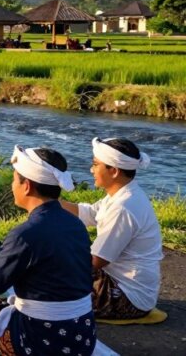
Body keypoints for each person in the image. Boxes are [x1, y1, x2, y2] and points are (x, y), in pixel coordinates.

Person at [0, 146, 95, 356]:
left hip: (39, 342)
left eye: (15, 179)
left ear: (26, 186)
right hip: (81, 338)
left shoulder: (26, 233)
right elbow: (31, 257)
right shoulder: (75, 224)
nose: (12, 185)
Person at [60, 137, 162, 319]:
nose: (91, 170)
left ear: (113, 171)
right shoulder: (123, 194)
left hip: (127, 297)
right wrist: (51, 201)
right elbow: (90, 213)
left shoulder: (123, 207)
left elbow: (96, 261)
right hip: (127, 286)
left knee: (50, 288)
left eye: (95, 164)